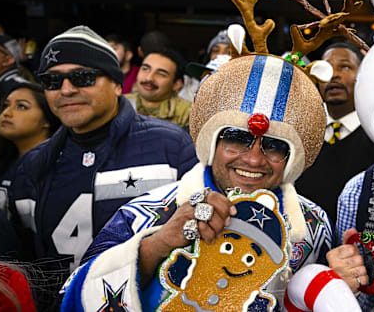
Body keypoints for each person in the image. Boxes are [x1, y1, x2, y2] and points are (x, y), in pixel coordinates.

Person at [61, 51, 334, 310]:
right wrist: (156, 246)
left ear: (292, 158)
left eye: (274, 146)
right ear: (212, 142)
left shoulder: (314, 226)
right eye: (237, 139)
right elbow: (73, 296)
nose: (253, 160)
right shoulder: (146, 212)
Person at [7, 26, 198, 303]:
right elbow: (24, 265)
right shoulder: (31, 165)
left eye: (82, 77)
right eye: (52, 81)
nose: (67, 89)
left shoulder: (171, 146)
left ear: (117, 84)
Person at [296, 42, 374, 224]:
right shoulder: (301, 133)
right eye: (325, 68)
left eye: (345, 67)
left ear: (363, 75)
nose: (334, 75)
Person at [0, 83, 61, 214]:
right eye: (6, 106)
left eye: (22, 106)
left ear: (47, 120)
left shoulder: (54, 168)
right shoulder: (3, 160)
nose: (7, 113)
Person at [124, 48, 192, 128]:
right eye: (145, 69)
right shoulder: (120, 104)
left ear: (177, 84)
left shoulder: (188, 114)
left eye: (161, 74)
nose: (149, 78)